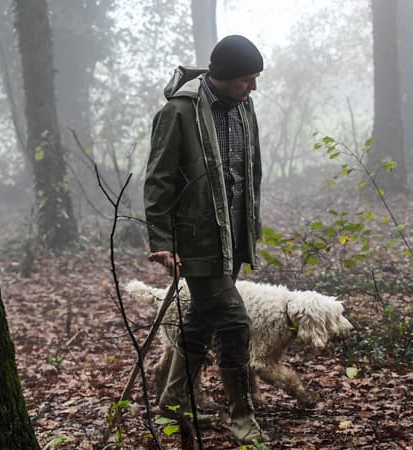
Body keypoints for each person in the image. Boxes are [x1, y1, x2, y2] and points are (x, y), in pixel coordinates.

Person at [144, 35, 268, 444]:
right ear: (224, 76)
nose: (253, 88)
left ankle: (174, 397)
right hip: (195, 242)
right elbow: (159, 178)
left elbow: (250, 172)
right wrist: (161, 239)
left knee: (199, 319)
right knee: (234, 323)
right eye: (247, 79)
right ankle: (241, 415)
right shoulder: (179, 112)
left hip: (233, 236)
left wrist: (250, 226)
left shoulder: (243, 107)